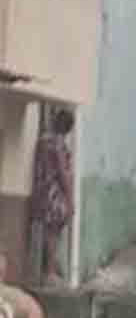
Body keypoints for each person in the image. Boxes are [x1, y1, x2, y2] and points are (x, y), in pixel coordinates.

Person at [30, 109, 75, 285]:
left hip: (40, 190)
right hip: (54, 193)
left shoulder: (42, 140)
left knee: (45, 230)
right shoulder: (58, 144)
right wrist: (70, 199)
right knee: (54, 231)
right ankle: (49, 271)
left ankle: (47, 268)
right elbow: (63, 172)